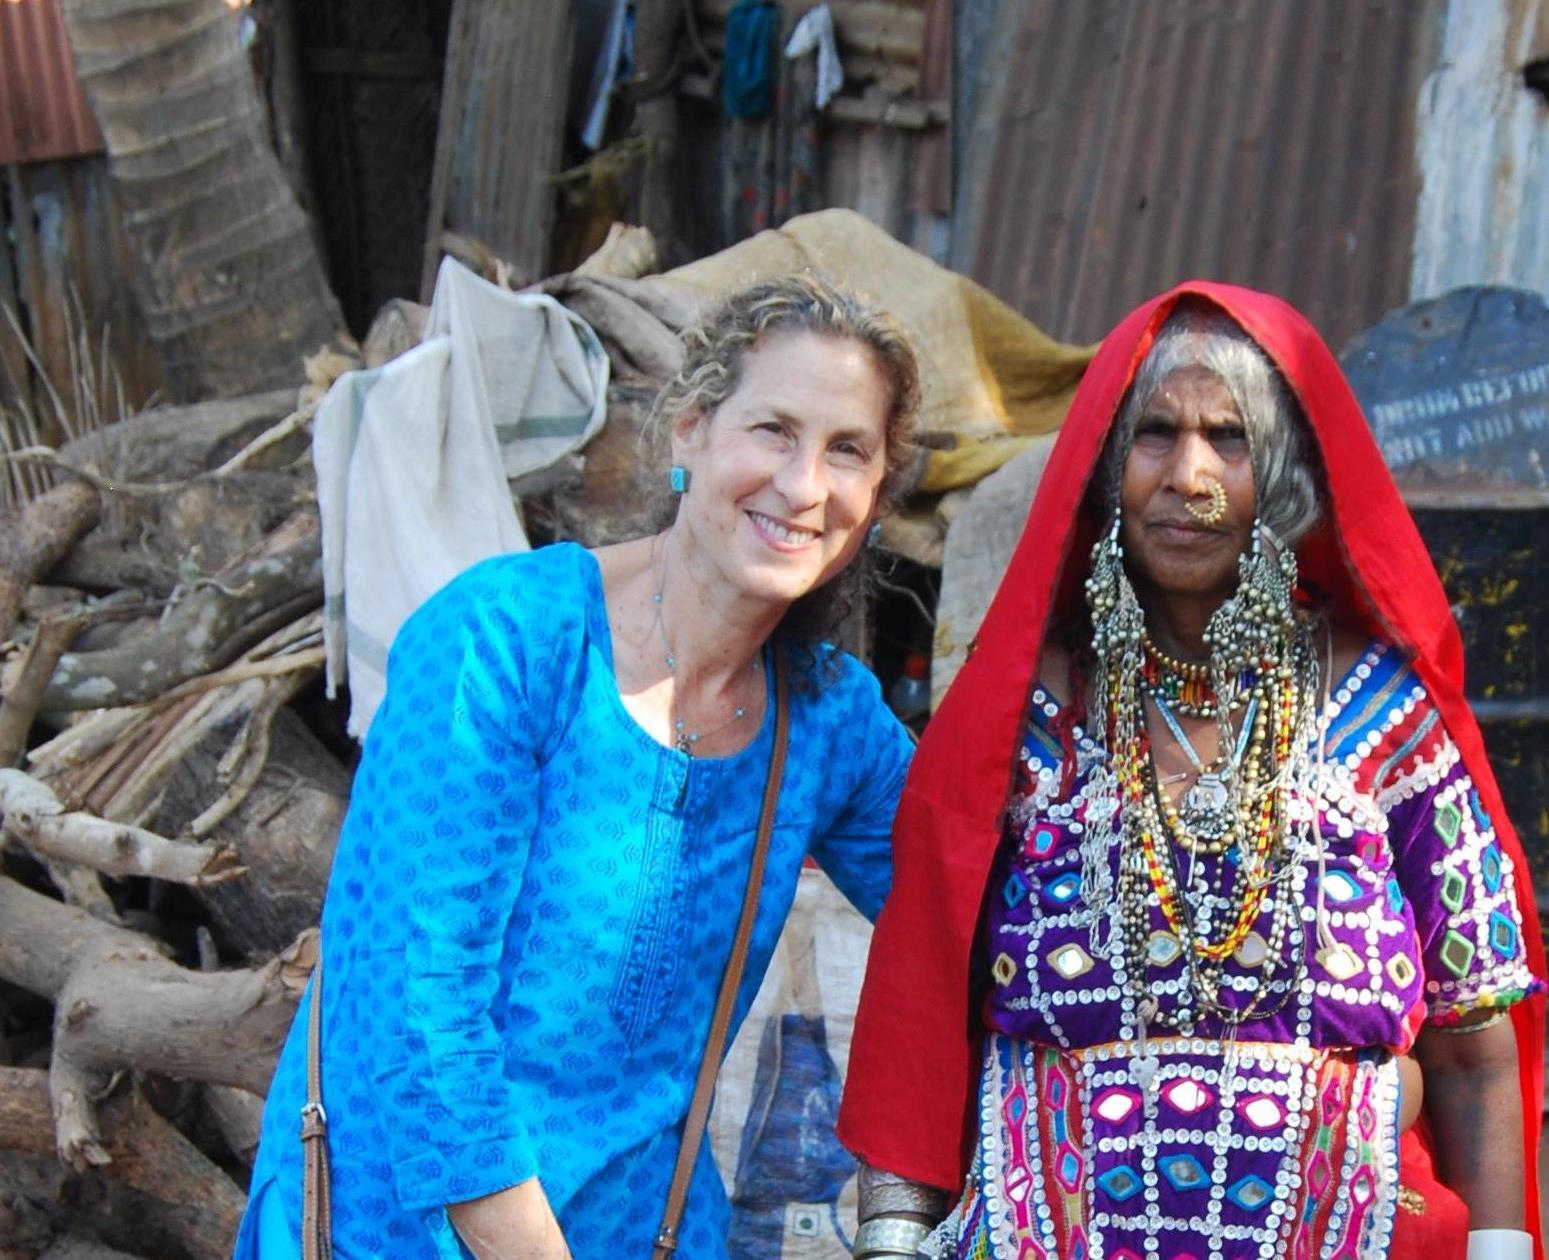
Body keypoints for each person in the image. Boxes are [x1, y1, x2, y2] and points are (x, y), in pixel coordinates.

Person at [837, 283, 1545, 1260]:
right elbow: (920, 1001)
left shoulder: (1384, 719)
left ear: (1284, 473)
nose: (1190, 474)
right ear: (1102, 467)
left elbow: (1472, 1049)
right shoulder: (1018, 720)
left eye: (1232, 437)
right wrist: (888, 1241)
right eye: (1154, 434)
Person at [234, 274, 920, 1259]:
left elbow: (972, 904)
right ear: (690, 432)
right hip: (395, 1227)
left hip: (644, 1229)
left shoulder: (825, 714)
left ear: (875, 493)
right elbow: (423, 1018)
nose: (804, 484)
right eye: (772, 429)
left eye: (846, 449)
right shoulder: (508, 641)